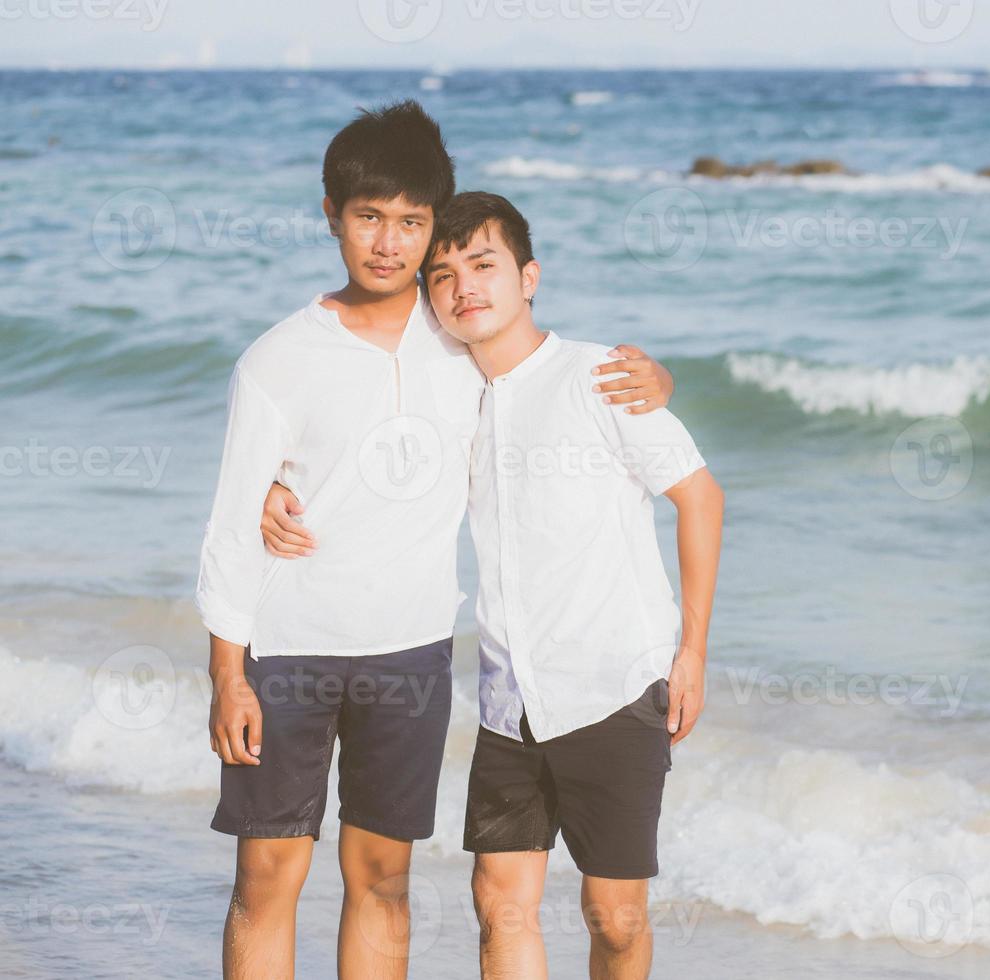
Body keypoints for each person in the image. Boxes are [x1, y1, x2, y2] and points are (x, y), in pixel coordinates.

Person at [199, 101, 674, 980]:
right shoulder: (276, 359)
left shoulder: (461, 337)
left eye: (411, 222)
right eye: (368, 217)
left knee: (383, 880)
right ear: (332, 218)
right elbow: (231, 528)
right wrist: (228, 673)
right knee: (268, 876)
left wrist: (653, 377)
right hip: (285, 650)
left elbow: (550, 378)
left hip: (410, 656)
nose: (389, 243)